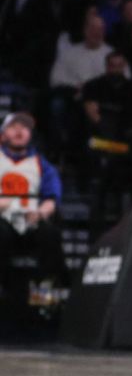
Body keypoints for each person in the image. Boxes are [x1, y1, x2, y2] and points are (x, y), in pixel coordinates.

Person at [0, 112, 67, 293]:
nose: (19, 131)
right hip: (3, 219)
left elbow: (52, 198)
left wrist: (40, 213)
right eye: (13, 127)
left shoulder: (42, 165)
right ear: (3, 134)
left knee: (50, 233)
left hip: (30, 220)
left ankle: (46, 290)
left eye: (24, 128)